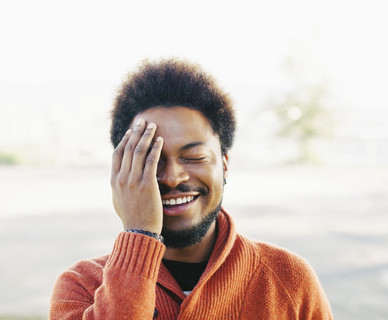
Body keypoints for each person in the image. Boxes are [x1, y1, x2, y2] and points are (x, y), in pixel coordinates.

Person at [49, 58, 333, 319]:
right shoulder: (82, 286)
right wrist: (139, 235)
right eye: (150, 160)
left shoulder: (289, 279)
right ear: (122, 173)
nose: (172, 177)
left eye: (195, 157)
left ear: (224, 165)